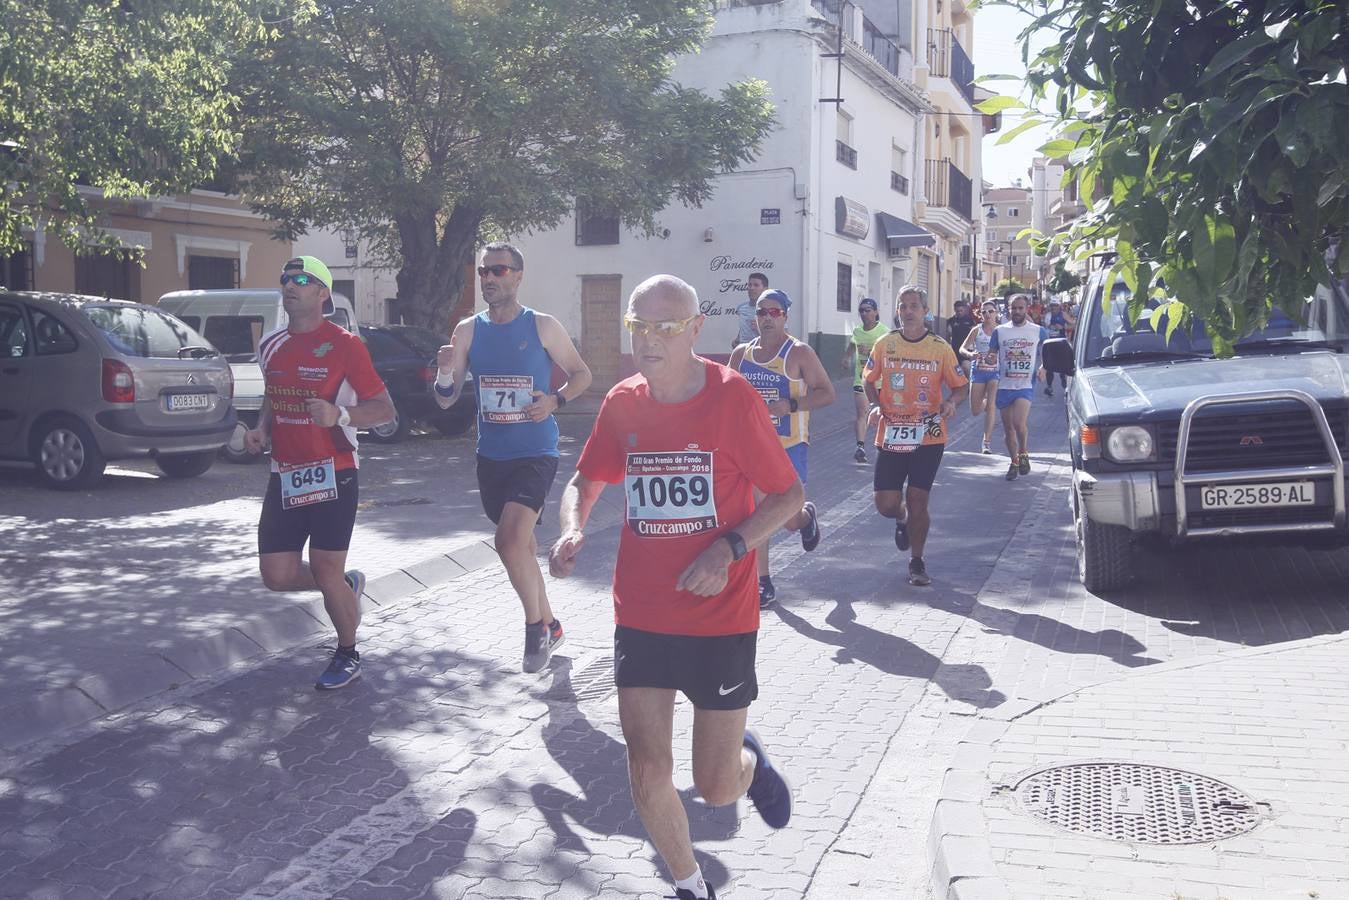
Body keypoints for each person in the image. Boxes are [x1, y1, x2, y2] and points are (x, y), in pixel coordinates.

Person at [550, 274, 801, 900]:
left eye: (668, 327)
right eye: (641, 326)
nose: (652, 339)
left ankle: (751, 763)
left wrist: (729, 546)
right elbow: (584, 482)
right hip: (642, 611)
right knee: (647, 764)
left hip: (721, 616)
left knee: (715, 787)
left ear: (695, 331)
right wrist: (572, 528)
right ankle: (689, 884)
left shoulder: (733, 399)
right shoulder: (622, 402)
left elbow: (789, 496)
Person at [433, 241, 592, 672]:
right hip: (492, 457)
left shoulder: (542, 325)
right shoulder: (467, 329)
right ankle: (553, 624)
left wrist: (554, 401)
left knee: (507, 542)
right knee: (521, 546)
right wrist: (445, 371)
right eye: (484, 271)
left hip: (536, 452)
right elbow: (446, 400)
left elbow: (582, 374)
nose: (489, 278)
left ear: (518, 276)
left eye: (499, 270)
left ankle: (534, 630)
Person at [244, 256, 396, 690]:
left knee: (325, 569)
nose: (291, 285)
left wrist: (340, 414)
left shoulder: (346, 344)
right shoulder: (270, 345)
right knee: (276, 575)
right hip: (286, 474)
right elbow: (275, 395)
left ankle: (348, 652)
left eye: (303, 280)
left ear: (323, 293)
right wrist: (260, 428)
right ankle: (346, 587)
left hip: (335, 471)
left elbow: (384, 410)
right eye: (286, 278)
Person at [729, 289, 834, 608]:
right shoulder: (741, 355)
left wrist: (791, 404)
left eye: (774, 312)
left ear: (786, 316)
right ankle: (763, 582)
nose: (767, 319)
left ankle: (804, 518)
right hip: (753, 449)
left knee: (785, 518)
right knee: (759, 513)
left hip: (790, 446)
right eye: (761, 312)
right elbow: (728, 400)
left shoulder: (798, 353)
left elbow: (827, 394)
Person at [863, 285, 968, 587]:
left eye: (913, 306)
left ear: (924, 311)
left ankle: (917, 561)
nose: (907, 311)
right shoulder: (885, 344)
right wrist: (874, 404)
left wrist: (950, 402)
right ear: (897, 311)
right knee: (886, 503)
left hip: (930, 431)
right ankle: (901, 517)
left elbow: (961, 387)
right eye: (902, 306)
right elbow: (868, 379)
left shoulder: (939, 347)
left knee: (919, 497)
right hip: (892, 427)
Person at [990, 293, 1049, 480]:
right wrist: (989, 358)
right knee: (1008, 429)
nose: (1016, 311)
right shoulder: (999, 331)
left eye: (1020, 308)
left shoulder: (1038, 331)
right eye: (1013, 308)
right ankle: (1014, 461)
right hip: (1004, 385)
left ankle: (1023, 452)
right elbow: (992, 354)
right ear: (1008, 309)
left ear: (1027, 309)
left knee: (1019, 423)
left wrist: (1043, 367)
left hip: (1025, 385)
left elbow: (1048, 352)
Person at [841, 298, 889, 463]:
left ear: (876, 312)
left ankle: (885, 445)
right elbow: (852, 345)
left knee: (886, 413)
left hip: (882, 381)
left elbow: (890, 356)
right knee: (862, 412)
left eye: (868, 310)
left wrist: (870, 352)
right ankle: (860, 447)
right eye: (861, 310)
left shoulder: (885, 332)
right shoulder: (857, 331)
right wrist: (847, 358)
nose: (864, 313)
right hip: (862, 378)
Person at [959, 300, 1001, 454]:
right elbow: (962, 348)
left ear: (996, 313)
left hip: (995, 372)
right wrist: (971, 355)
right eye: (984, 312)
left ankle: (986, 442)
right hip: (978, 372)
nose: (987, 314)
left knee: (991, 405)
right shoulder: (977, 330)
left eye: (991, 311)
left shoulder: (1001, 331)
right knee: (975, 410)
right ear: (980, 314)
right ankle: (985, 404)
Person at [1043, 300, 1075, 397]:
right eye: (1052, 306)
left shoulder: (1063, 315)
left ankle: (1066, 387)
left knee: (1063, 368)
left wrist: (1063, 326)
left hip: (1061, 343)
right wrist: (1049, 326)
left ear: (1059, 306)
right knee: (1049, 367)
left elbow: (1073, 324)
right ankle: (1049, 387)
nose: (1054, 309)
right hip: (1050, 343)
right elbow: (1045, 326)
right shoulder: (1048, 315)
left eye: (1056, 306)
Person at [731, 272, 768, 350]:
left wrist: (761, 330)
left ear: (765, 289)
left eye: (756, 285)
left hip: (762, 354)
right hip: (743, 354)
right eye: (749, 285)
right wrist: (737, 340)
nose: (751, 288)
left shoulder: (772, 310)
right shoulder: (741, 308)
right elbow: (743, 327)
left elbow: (783, 336)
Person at [946, 300, 976, 376]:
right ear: (954, 310)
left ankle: (969, 386)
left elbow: (975, 336)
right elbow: (948, 335)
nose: (959, 312)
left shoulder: (970, 321)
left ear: (964, 310)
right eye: (957, 311)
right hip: (955, 351)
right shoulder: (951, 321)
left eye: (961, 310)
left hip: (966, 350)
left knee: (967, 368)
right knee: (958, 374)